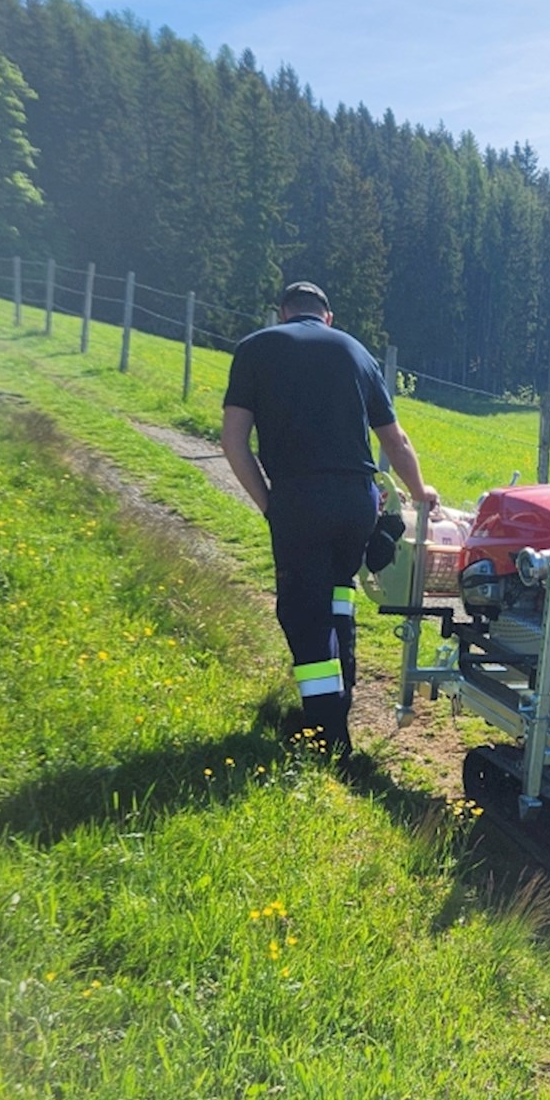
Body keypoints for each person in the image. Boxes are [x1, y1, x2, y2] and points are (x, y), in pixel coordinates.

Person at [221, 281, 438, 759]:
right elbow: (396, 441)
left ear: (283, 313)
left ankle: (326, 738)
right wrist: (421, 491)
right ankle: (341, 701)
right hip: (357, 501)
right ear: (328, 317)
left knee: (303, 612)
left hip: (299, 497)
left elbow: (233, 441)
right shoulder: (356, 352)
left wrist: (269, 504)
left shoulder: (256, 348)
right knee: (339, 596)